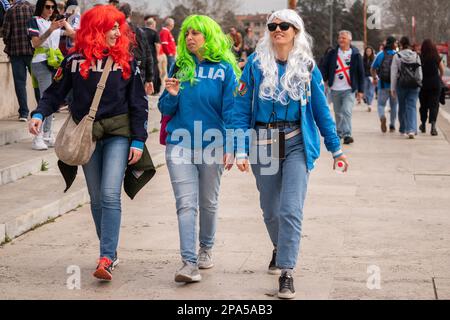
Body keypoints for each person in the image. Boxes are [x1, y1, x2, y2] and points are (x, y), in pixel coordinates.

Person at [28, 4, 150, 281]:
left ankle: (106, 256)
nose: (118, 31)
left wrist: (139, 141)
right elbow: (55, 92)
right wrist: (38, 113)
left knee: (109, 194)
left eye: (119, 26)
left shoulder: (126, 61)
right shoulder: (74, 60)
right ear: (96, 29)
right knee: (96, 198)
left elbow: (139, 105)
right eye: (112, 26)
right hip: (87, 136)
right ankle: (110, 250)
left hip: (119, 134)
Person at [233, 9, 349, 299]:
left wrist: (336, 148)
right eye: (273, 26)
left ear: (295, 31)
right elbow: (239, 109)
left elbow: (322, 111)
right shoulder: (255, 65)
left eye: (285, 26)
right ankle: (279, 246)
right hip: (263, 143)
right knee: (270, 211)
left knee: (290, 210)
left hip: (296, 142)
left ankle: (286, 272)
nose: (278, 30)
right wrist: (239, 148)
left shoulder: (307, 67)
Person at [158, 14, 240, 284]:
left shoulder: (225, 69)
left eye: (196, 33)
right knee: (186, 204)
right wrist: (171, 96)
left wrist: (232, 145)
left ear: (209, 36)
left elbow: (231, 110)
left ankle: (205, 248)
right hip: (179, 145)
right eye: (187, 33)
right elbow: (165, 109)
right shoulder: (180, 66)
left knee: (208, 203)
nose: (190, 38)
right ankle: (188, 262)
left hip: (213, 145)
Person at [27, 0, 75, 150]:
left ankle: (47, 134)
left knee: (53, 96)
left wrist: (64, 22)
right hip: (41, 62)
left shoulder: (52, 23)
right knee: (45, 98)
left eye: (52, 7)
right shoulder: (34, 21)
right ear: (41, 7)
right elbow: (35, 43)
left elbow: (74, 34)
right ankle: (38, 136)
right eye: (47, 7)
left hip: (55, 63)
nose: (50, 9)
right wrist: (51, 29)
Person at [320, 30, 364, 144]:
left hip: (349, 88)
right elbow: (324, 66)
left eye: (343, 38)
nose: (341, 40)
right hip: (335, 88)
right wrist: (324, 79)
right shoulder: (333, 53)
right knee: (338, 112)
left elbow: (361, 73)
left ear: (349, 40)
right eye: (340, 38)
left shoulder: (355, 54)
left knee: (346, 111)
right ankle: (339, 133)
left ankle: (347, 134)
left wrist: (361, 90)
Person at [1, 0, 36, 121]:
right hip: (33, 53)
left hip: (16, 53)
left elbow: (5, 33)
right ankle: (43, 112)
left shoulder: (10, 11)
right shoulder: (33, 9)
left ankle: (24, 113)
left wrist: (9, 43)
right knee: (37, 82)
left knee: (20, 83)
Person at [118, 2, 154, 95]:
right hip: (137, 69)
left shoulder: (113, 31)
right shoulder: (140, 31)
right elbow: (148, 54)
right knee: (136, 101)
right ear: (130, 13)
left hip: (119, 69)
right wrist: (149, 78)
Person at [391, 36, 423, 139]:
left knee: (402, 106)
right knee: (412, 106)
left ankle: (403, 128)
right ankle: (412, 130)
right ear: (409, 44)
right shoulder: (416, 56)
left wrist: (392, 88)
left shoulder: (397, 56)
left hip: (402, 84)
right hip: (414, 85)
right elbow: (419, 72)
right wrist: (419, 82)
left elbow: (394, 73)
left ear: (401, 44)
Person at [371, 36, 398, 133]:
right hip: (394, 86)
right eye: (396, 43)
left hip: (382, 85)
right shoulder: (397, 54)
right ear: (393, 44)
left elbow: (372, 68)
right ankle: (392, 125)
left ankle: (382, 117)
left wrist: (374, 78)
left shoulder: (380, 54)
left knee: (381, 105)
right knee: (394, 106)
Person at [419, 39, 445, 136]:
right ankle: (433, 127)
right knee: (434, 105)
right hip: (435, 84)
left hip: (423, 84)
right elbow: (442, 70)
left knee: (423, 106)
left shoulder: (420, 57)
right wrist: (438, 78)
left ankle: (423, 125)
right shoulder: (436, 57)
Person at [142, 16, 162, 94]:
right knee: (154, 71)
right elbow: (157, 45)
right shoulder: (154, 32)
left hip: (143, 54)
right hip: (152, 54)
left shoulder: (141, 31)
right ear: (153, 24)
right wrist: (157, 55)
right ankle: (153, 90)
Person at [363, 46, 376, 112]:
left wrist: (375, 76)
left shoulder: (374, 59)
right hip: (365, 77)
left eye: (369, 51)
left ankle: (369, 105)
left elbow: (376, 68)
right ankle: (367, 101)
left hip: (372, 77)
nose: (368, 52)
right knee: (365, 91)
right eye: (367, 51)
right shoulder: (363, 59)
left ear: (372, 52)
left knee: (371, 91)